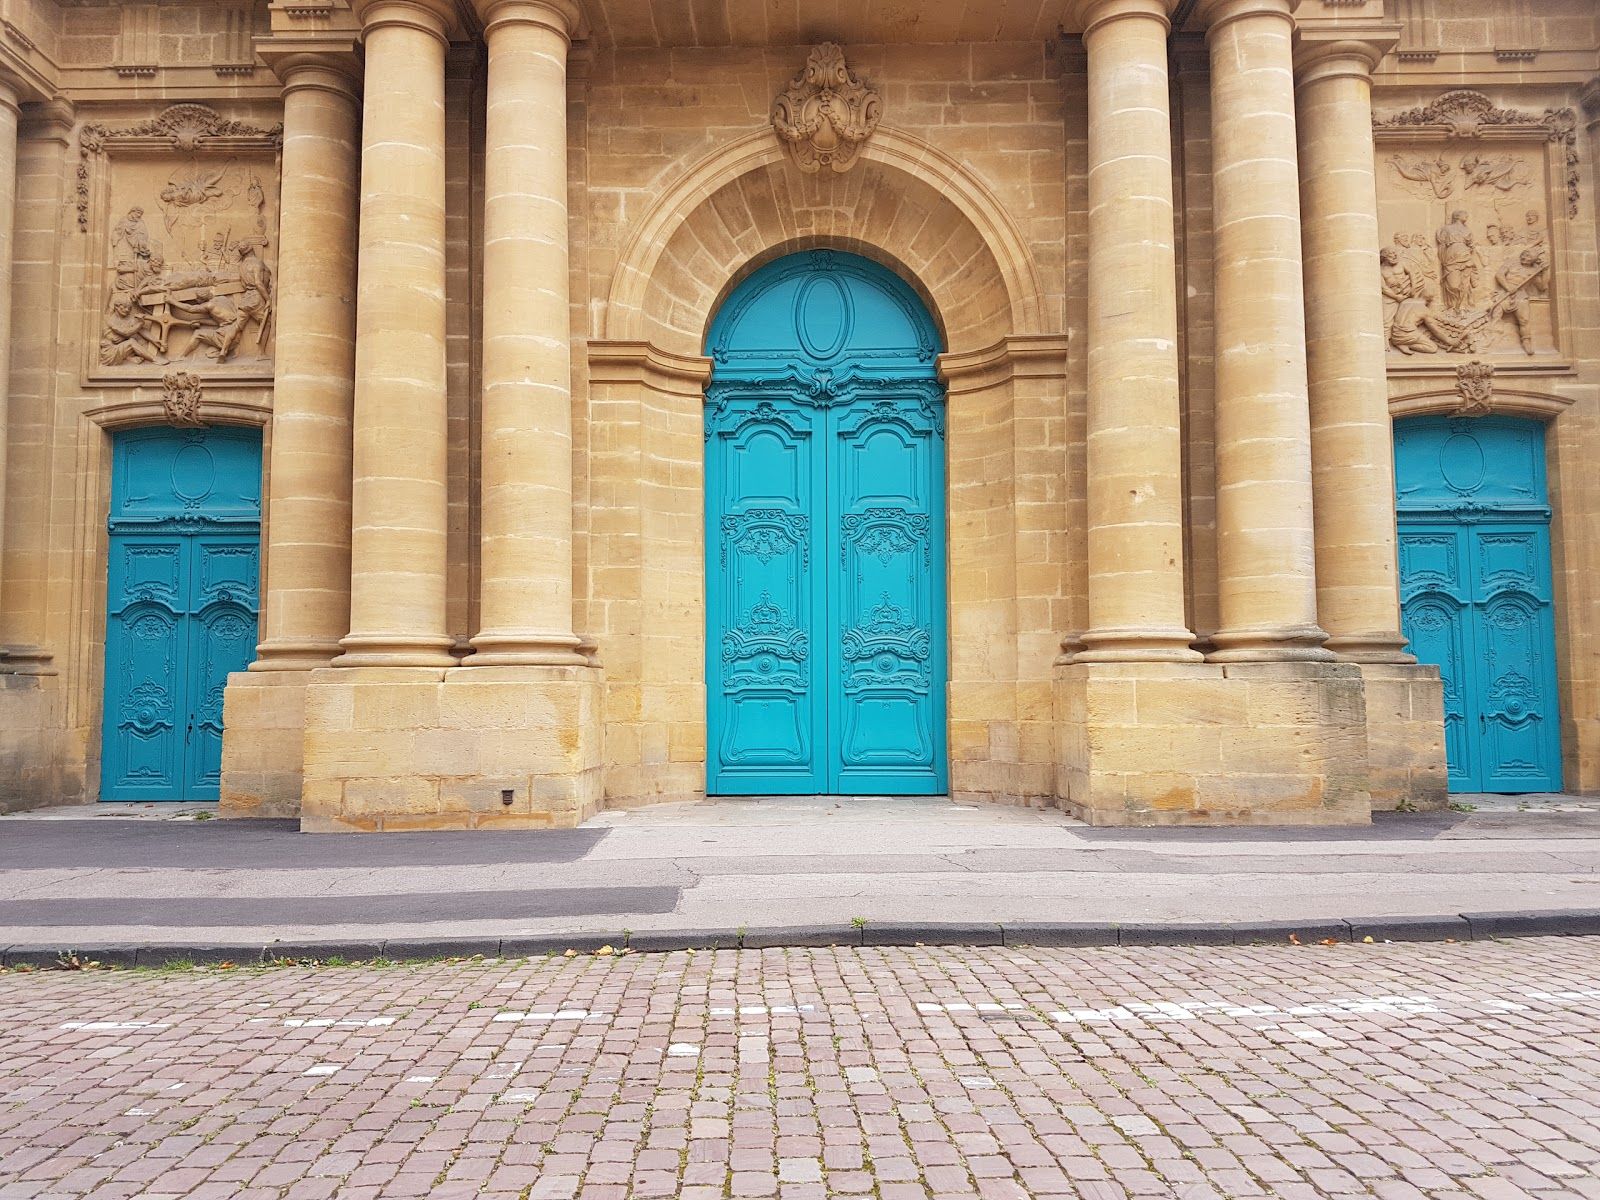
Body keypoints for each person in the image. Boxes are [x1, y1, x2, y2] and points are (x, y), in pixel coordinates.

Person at [99, 296, 163, 366]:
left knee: (137, 337)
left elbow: (141, 331)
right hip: (110, 353)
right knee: (132, 341)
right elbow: (126, 333)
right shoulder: (110, 320)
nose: (127, 310)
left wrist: (156, 341)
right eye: (125, 307)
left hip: (120, 349)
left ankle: (129, 358)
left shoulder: (129, 319)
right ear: (116, 307)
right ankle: (154, 359)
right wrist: (140, 324)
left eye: (129, 308)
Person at [1435, 210, 1477, 312]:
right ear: (1457, 216)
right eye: (1464, 214)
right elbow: (1441, 243)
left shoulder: (1467, 230)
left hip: (1465, 257)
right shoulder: (1447, 228)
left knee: (1464, 284)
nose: (1467, 215)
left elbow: (1471, 244)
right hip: (1451, 257)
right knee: (1453, 285)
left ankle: (1460, 307)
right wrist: (1443, 258)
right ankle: (1451, 305)